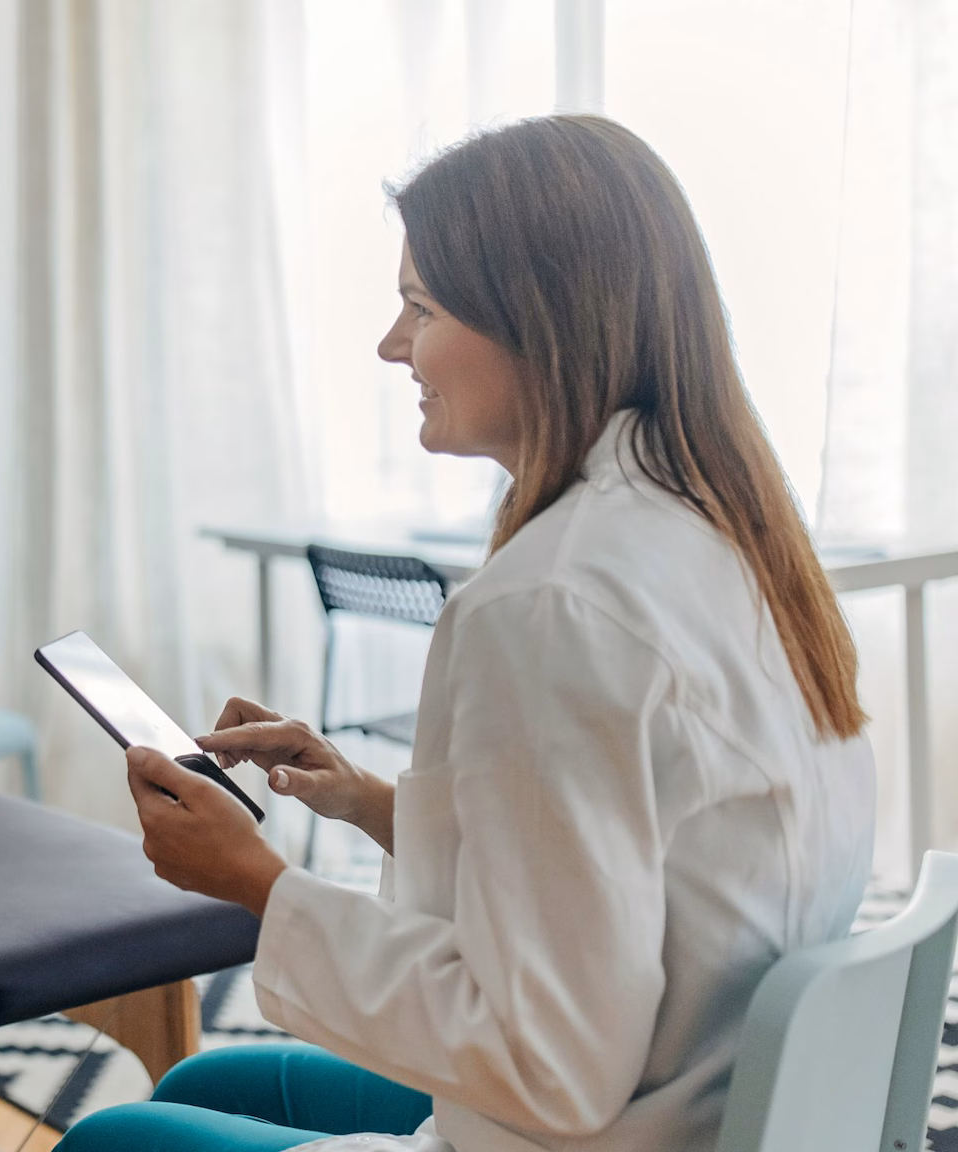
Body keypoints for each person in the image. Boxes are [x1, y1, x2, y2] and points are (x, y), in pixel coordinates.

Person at [57, 115, 876, 1151]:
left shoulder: (550, 605)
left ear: (539, 323)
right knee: (212, 1081)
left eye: (418, 306)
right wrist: (367, 804)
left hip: (607, 1120)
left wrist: (259, 885)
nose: (390, 343)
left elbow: (551, 1067)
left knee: (106, 1141)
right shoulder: (727, 532)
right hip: (703, 1089)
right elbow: (640, 852)